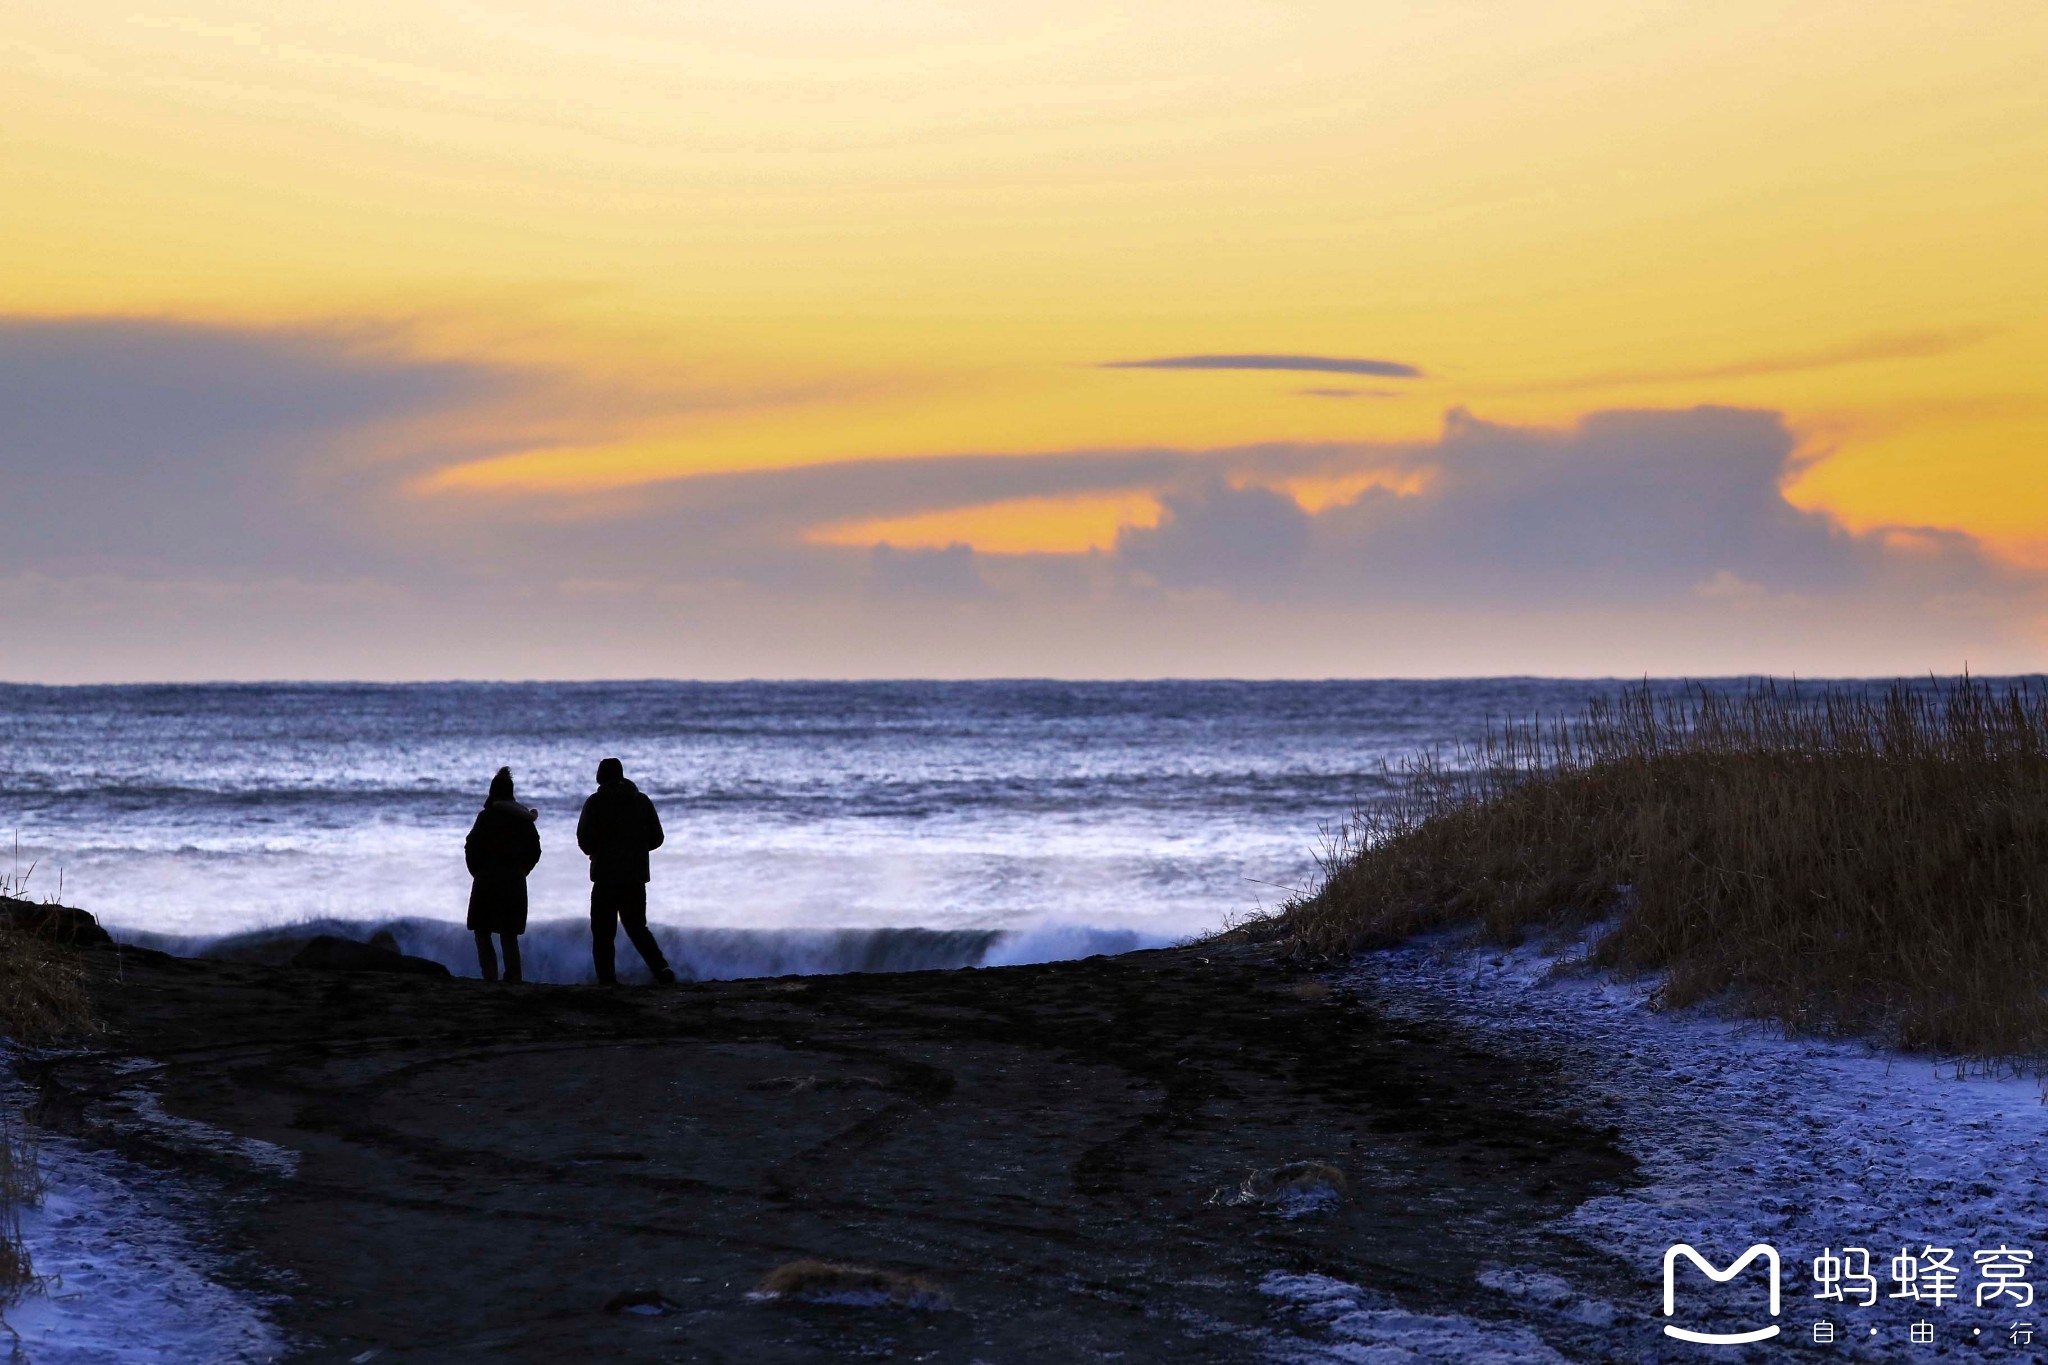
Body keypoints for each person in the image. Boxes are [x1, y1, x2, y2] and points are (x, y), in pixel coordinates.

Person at [576, 757, 676, 985]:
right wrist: (637, 850)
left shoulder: (595, 803)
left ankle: (607, 980)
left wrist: (597, 851)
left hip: (605, 877)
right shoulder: (641, 801)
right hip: (635, 876)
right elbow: (657, 838)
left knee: (603, 933)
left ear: (600, 777)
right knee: (638, 928)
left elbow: (584, 840)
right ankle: (661, 968)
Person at [464, 766, 540, 983]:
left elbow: (471, 846)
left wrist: (477, 872)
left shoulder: (486, 818)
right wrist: (522, 871)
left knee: (482, 931)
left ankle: (490, 976)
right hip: (514, 881)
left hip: (486, 880)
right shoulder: (524, 820)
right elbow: (535, 851)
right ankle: (513, 978)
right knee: (509, 935)